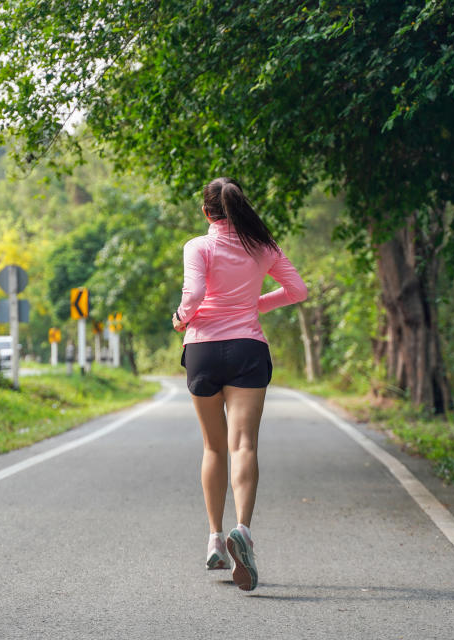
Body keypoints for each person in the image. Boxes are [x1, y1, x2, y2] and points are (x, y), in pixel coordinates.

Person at [172, 177, 307, 591]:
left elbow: (194, 294)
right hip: (248, 348)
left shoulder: (198, 246)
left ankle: (215, 538)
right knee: (243, 444)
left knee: (213, 446)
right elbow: (297, 290)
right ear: (240, 206)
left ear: (206, 211)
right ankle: (242, 531)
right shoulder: (263, 247)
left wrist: (180, 318)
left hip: (204, 350)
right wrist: (253, 305)